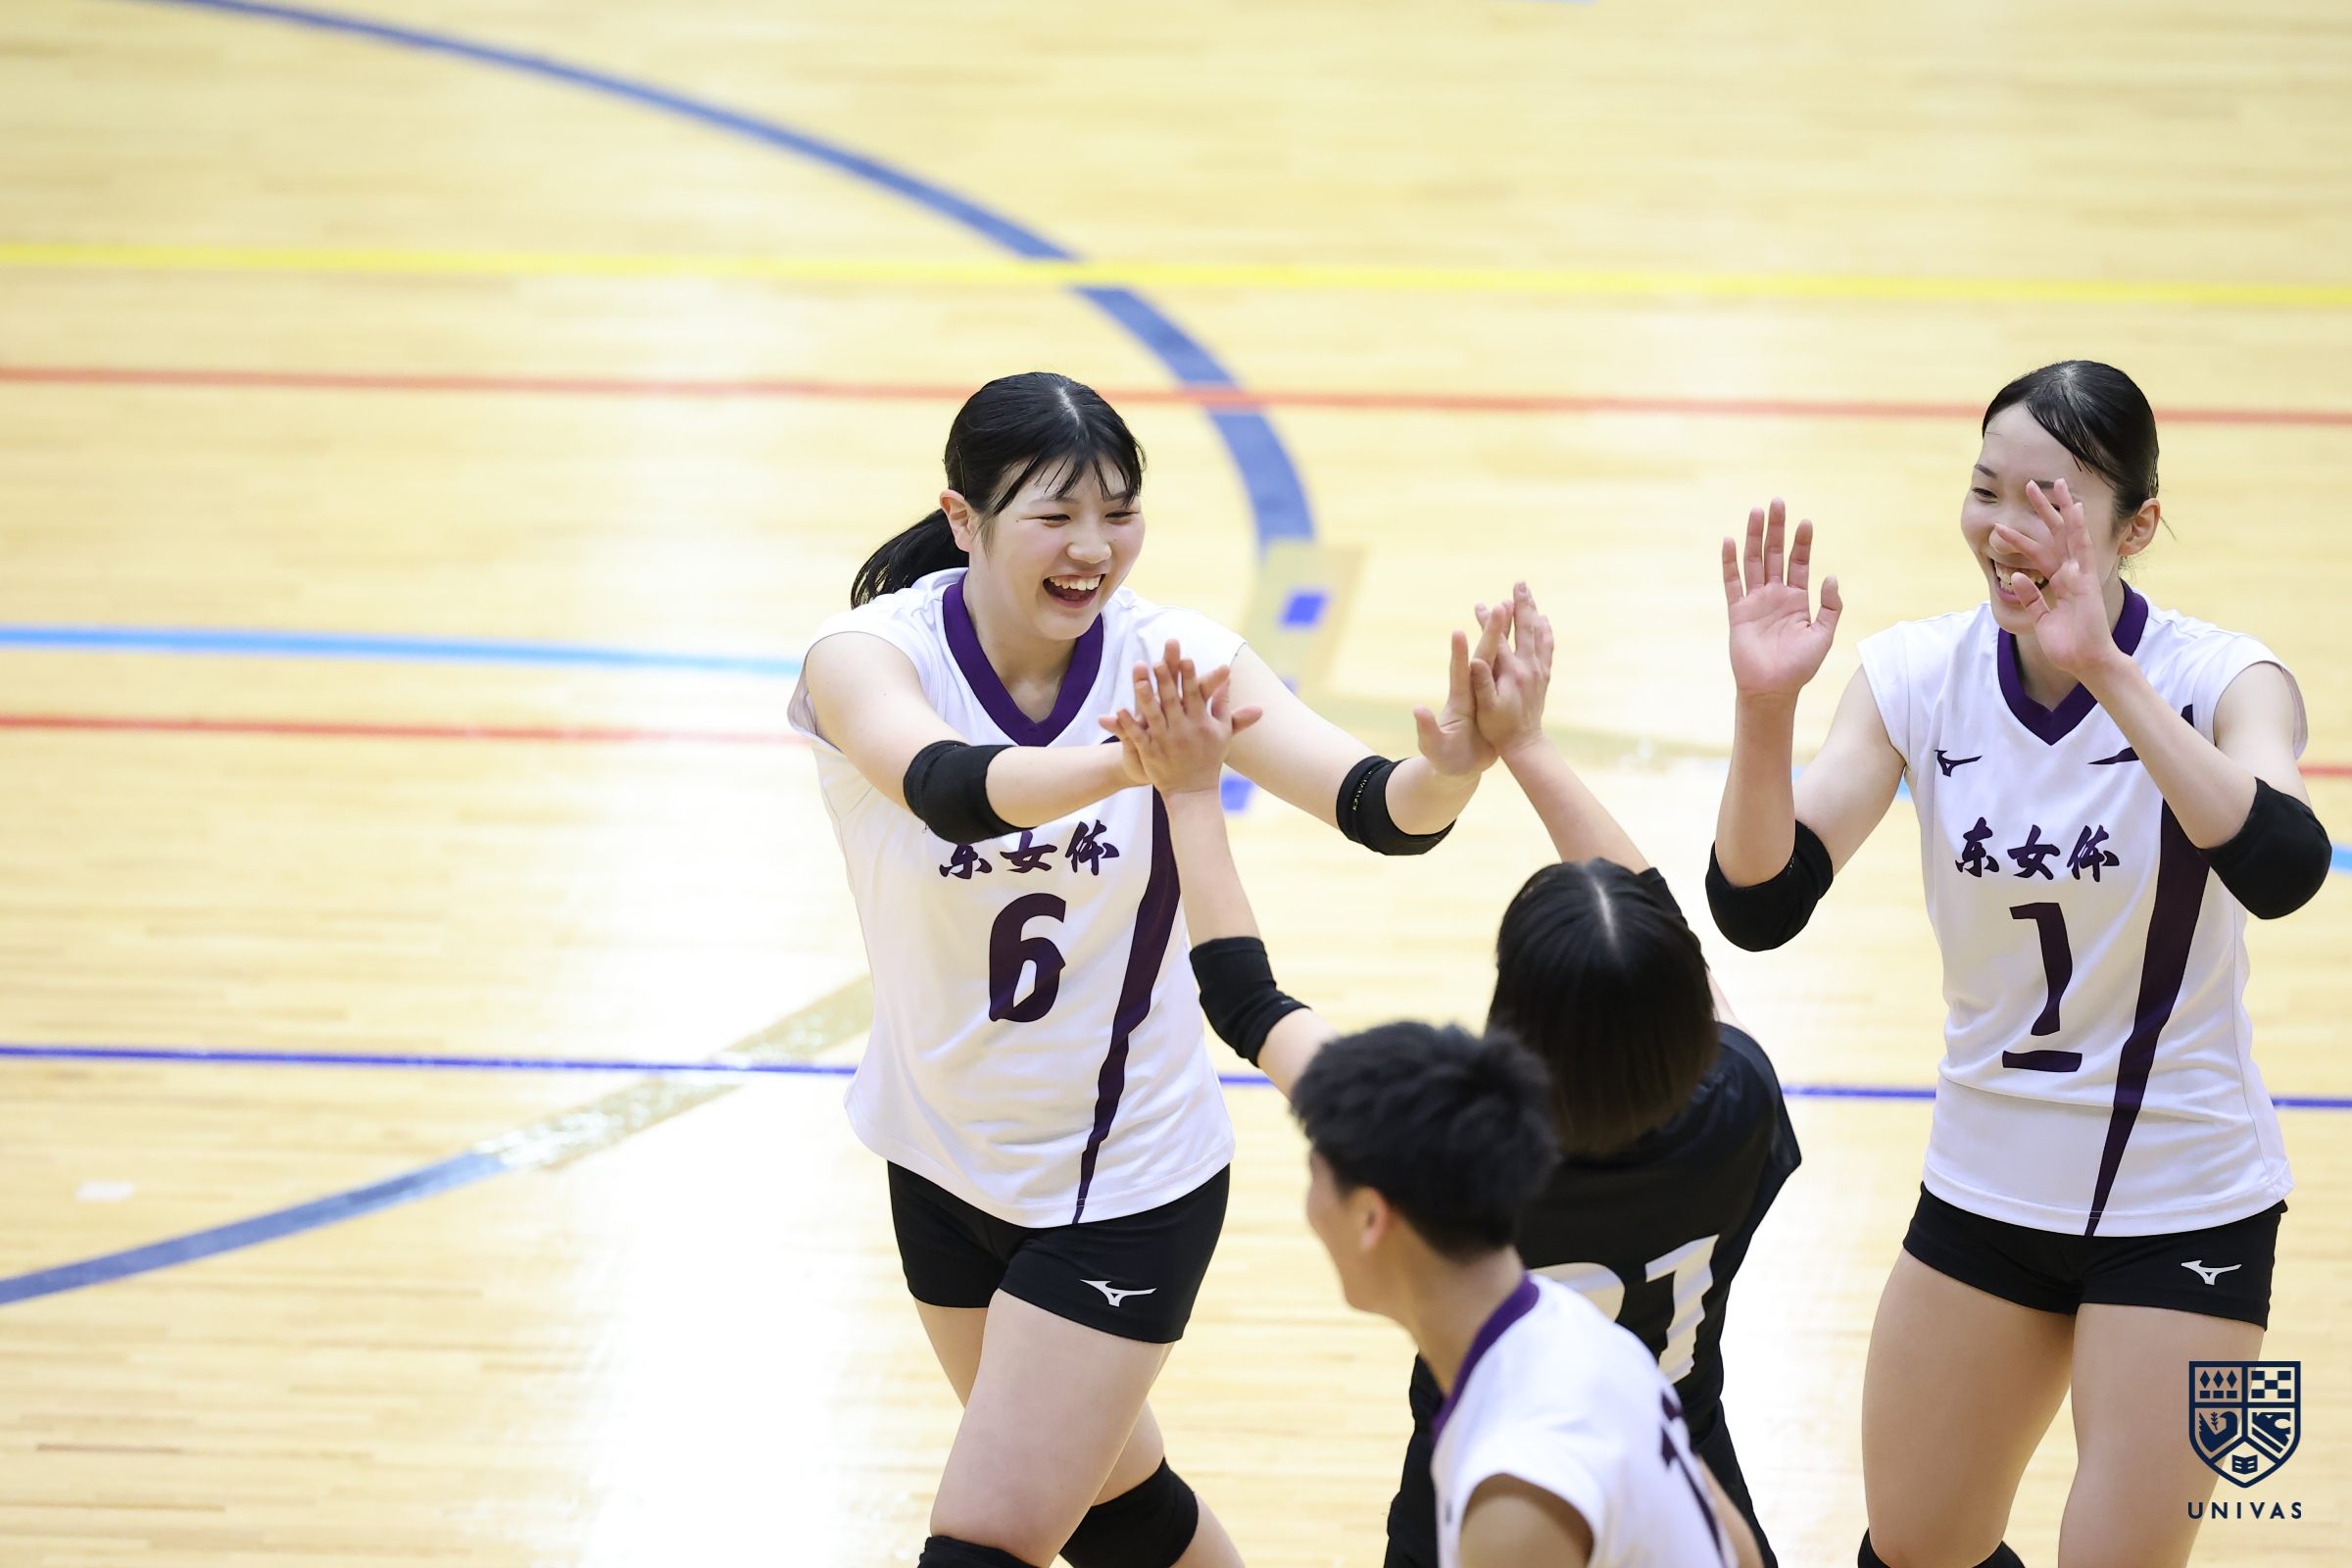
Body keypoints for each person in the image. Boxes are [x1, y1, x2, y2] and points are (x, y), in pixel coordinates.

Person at [787, 370, 1503, 1568]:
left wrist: (1457, 766)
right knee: (1118, 1517)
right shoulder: (865, 656)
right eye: (1056, 515)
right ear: (963, 519)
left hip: (1125, 1182)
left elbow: (1380, 808)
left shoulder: (1174, 658)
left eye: (1119, 513)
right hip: (942, 1157)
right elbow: (946, 786)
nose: (1094, 548)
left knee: (985, 1542)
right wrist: (1137, 766)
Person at [1706, 361, 2332, 1568]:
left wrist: (2107, 670)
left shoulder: (2225, 677)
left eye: (2048, 503)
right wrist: (1764, 711)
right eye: (1986, 490)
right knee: (1914, 1548)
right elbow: (1759, 901)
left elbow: (2286, 866)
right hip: (1985, 1187)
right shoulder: (1915, 675)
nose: (2004, 531)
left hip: (2183, 1202)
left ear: (2135, 527)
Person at [1105, 587, 1797, 1566]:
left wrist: (1186, 794)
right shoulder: (1742, 1096)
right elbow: (1663, 944)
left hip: (1492, 1471)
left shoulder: (1450, 1150)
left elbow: (1244, 996)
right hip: (1675, 1451)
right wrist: (1531, 746)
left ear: (1511, 1029)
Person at [1296, 1021, 1760, 1568]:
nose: (1309, 1207)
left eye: (1315, 1174)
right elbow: (1738, 1552)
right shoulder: (1581, 1328)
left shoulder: (1515, 1503)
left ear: (1371, 1217)